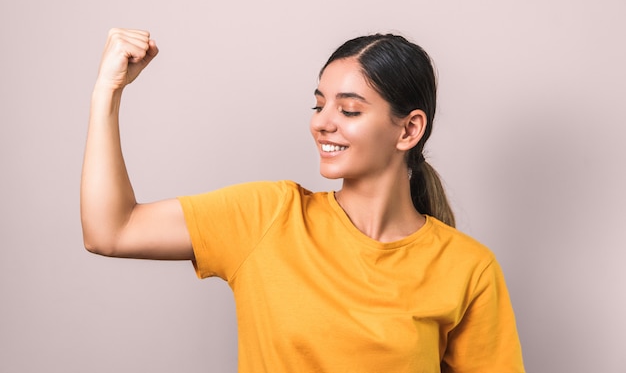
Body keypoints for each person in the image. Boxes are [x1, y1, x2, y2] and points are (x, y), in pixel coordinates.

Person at [81, 28, 525, 372]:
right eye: (319, 106)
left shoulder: (468, 267)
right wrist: (107, 92)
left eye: (349, 110)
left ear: (408, 130)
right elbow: (111, 230)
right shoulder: (268, 216)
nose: (322, 123)